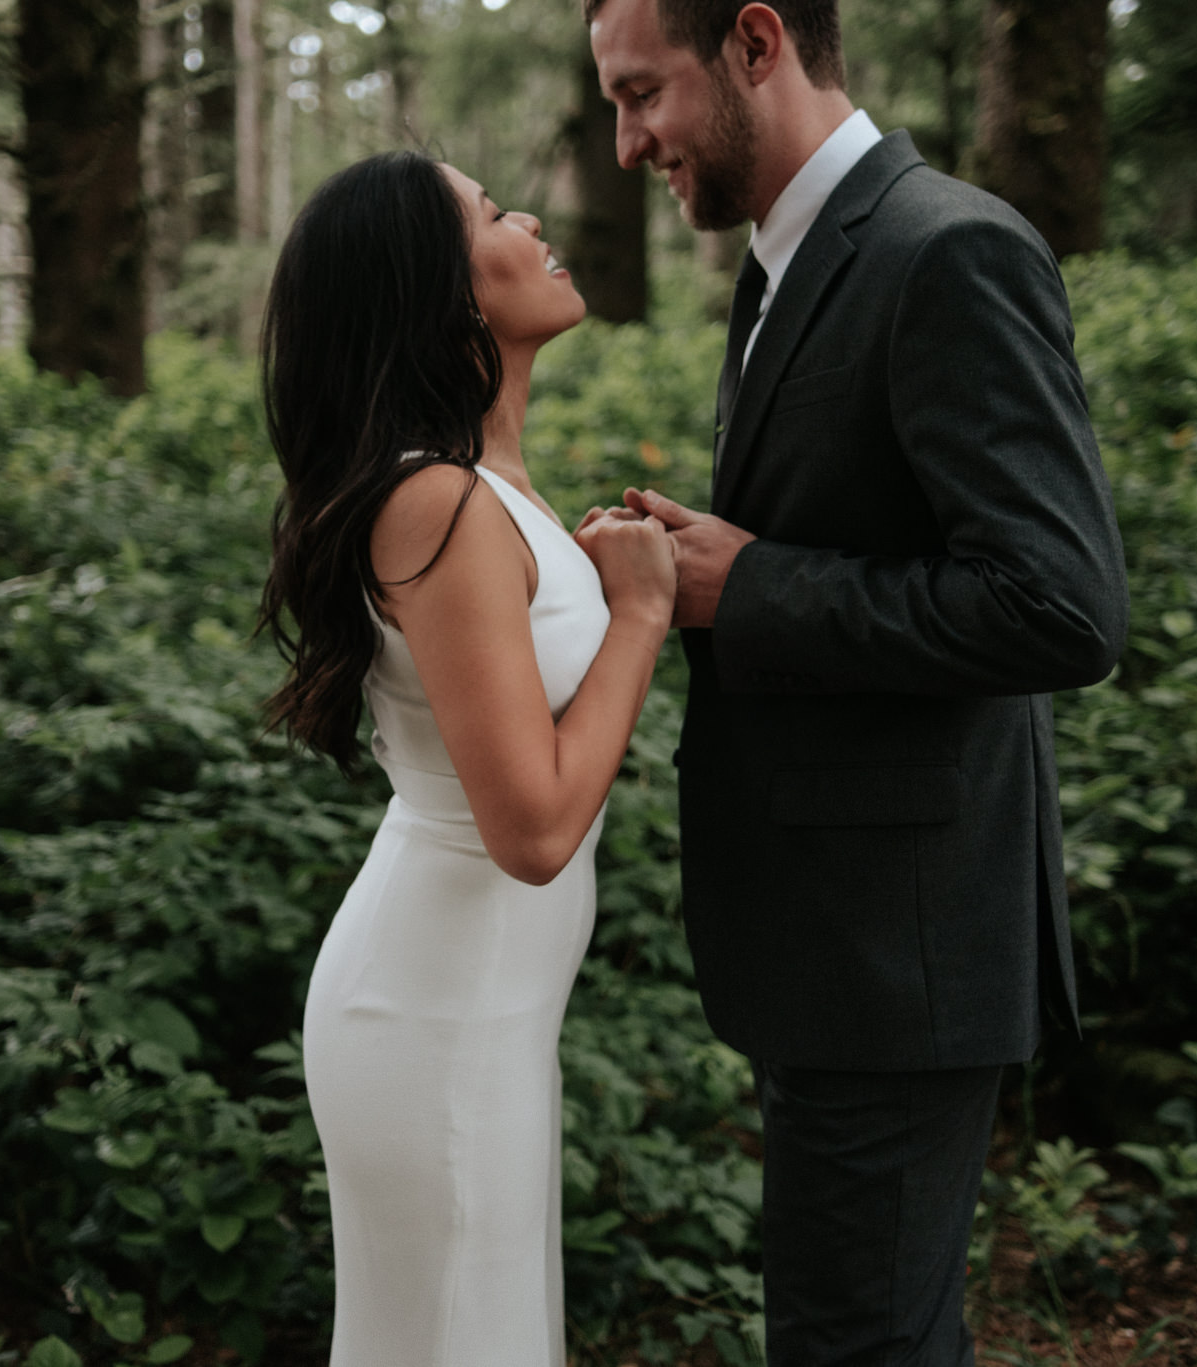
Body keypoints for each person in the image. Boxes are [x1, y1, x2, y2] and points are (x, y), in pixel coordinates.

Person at [583, 0, 1130, 1362]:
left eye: (642, 92)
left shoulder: (947, 251)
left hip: (905, 953)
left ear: (755, 42)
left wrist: (745, 586)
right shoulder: (788, 260)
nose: (624, 140)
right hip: (838, 944)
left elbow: (1060, 606)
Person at [257, 151, 677, 1366]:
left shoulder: (485, 488)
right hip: (434, 1008)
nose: (530, 217)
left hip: (485, 1004)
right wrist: (638, 618)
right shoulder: (432, 501)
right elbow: (534, 828)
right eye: (490, 214)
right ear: (437, 292)